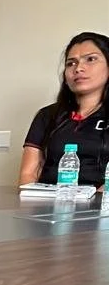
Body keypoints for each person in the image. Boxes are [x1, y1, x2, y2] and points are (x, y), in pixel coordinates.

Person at [20, 32, 109, 189]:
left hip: (99, 201)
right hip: (47, 200)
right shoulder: (47, 115)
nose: (78, 68)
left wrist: (94, 199)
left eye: (91, 59)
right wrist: (32, 198)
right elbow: (28, 173)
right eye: (71, 63)